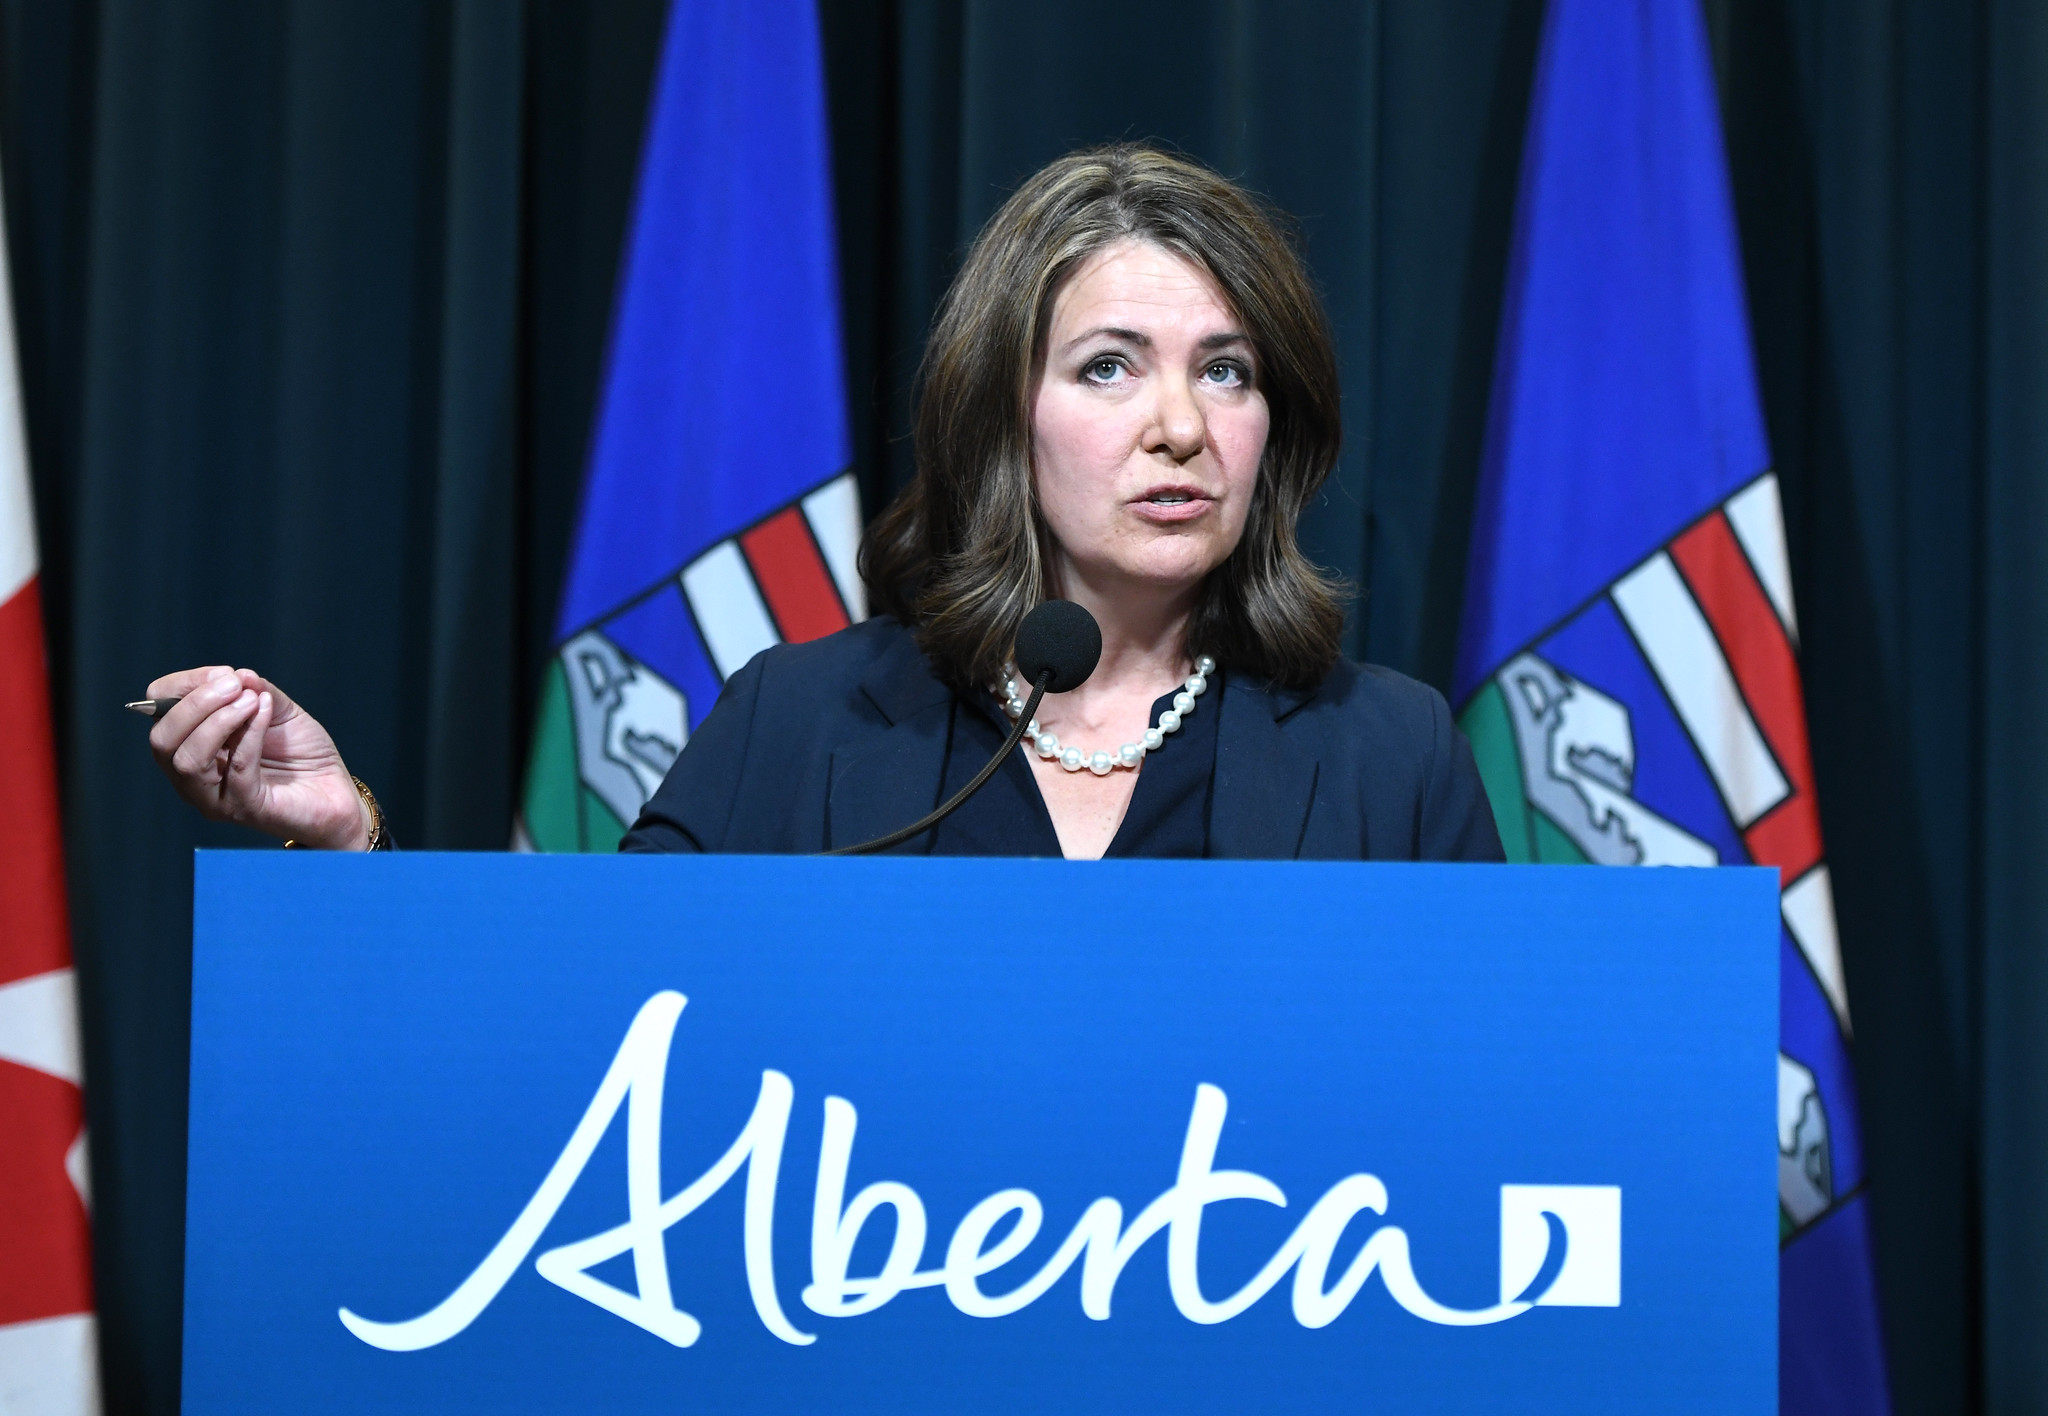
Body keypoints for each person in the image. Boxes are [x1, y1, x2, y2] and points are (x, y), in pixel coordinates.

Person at [145, 145, 1503, 863]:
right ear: (1002, 414)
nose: (1179, 425)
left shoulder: (1389, 755)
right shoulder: (797, 728)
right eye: (1109, 366)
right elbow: (574, 1050)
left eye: (1227, 371)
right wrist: (351, 840)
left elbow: (1494, 1111)